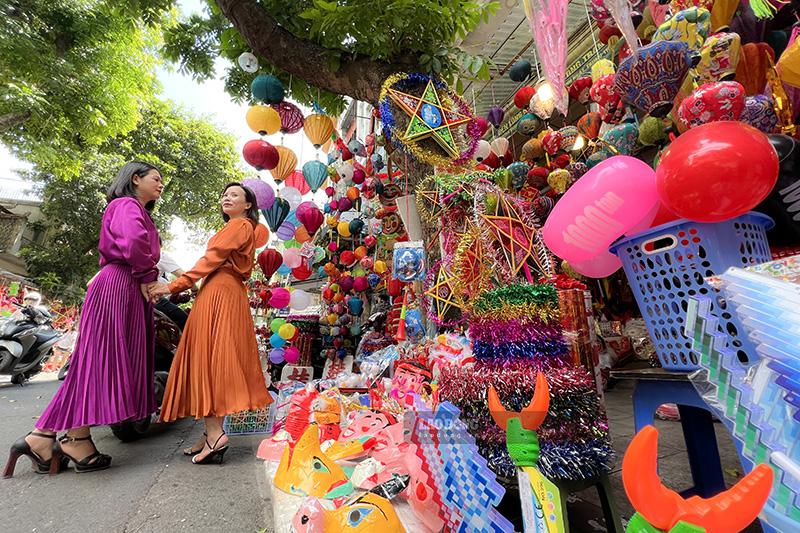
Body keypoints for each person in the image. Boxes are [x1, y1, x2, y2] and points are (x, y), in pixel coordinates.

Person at [4, 161, 163, 477]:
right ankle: (64, 437)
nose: (161, 185)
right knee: (99, 364)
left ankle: (50, 436)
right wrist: (148, 277)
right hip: (121, 285)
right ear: (135, 179)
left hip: (124, 286)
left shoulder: (133, 209)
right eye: (156, 178)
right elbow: (132, 244)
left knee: (99, 364)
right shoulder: (125, 205)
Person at [147, 182, 271, 465]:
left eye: (234, 195)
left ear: (248, 204)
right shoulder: (241, 228)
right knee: (217, 359)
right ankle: (210, 431)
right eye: (224, 195)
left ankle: (215, 435)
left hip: (219, 292)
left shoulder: (239, 225)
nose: (226, 198)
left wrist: (174, 286)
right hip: (224, 292)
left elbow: (210, 259)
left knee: (210, 361)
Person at [155, 245, 189, 330]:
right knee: (186, 320)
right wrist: (195, 290)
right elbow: (185, 277)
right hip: (154, 300)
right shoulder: (160, 256)